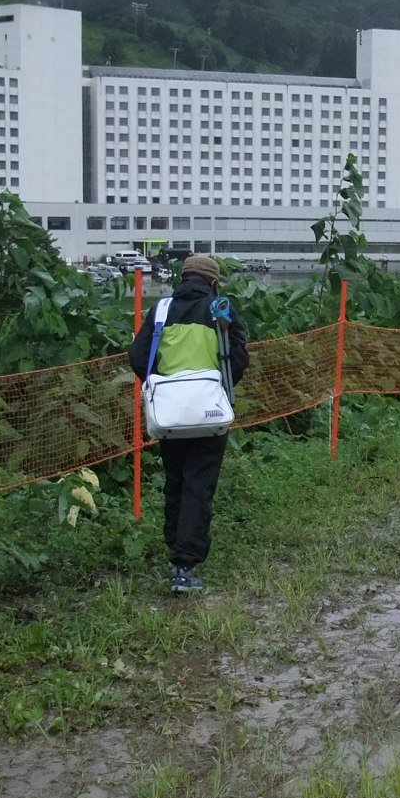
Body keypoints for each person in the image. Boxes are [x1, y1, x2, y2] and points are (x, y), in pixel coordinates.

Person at [128, 253, 249, 594]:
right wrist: (214, 388)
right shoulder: (219, 309)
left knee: (176, 481)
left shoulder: (161, 310)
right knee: (199, 485)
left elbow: (138, 357)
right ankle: (186, 565)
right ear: (213, 281)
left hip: (169, 416)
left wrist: (162, 387)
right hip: (208, 416)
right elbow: (238, 360)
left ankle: (175, 550)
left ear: (182, 278)